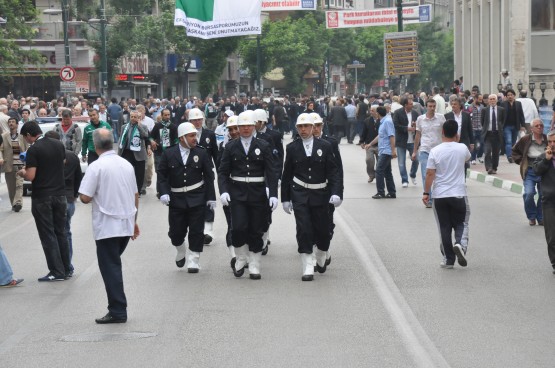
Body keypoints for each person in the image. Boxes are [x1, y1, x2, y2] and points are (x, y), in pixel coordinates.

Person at [79, 128, 140, 324]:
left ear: (95, 146)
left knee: (110, 267)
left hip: (106, 227)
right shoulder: (126, 164)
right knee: (113, 265)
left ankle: (117, 310)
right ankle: (117, 307)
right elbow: (135, 195)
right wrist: (134, 221)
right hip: (125, 223)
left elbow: (85, 197)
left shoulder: (96, 167)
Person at [217, 110, 278, 280]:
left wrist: (273, 193)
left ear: (254, 126)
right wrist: (223, 191)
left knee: (256, 228)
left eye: (248, 126)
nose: (245, 129)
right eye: (242, 126)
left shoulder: (263, 146)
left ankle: (255, 263)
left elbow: (271, 172)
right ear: (237, 127)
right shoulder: (230, 147)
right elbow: (223, 172)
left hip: (258, 192)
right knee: (238, 227)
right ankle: (241, 257)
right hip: (237, 192)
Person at [281, 113, 341, 281]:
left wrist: (336, 193)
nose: (303, 130)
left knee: (323, 230)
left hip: (321, 193)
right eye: (300, 127)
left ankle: (322, 252)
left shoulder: (326, 146)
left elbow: (333, 172)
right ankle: (307, 264)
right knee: (304, 229)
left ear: (313, 127)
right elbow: (287, 174)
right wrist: (285, 198)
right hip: (299, 193)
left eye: (306, 126)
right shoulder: (292, 148)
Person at [157, 122, 216, 272]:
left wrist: (211, 197)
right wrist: (163, 192)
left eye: (195, 135)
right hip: (176, 198)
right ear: (182, 138)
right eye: (191, 136)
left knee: (196, 230)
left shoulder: (201, 153)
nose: (195, 138)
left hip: (197, 197)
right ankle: (181, 250)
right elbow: (162, 175)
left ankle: (194, 259)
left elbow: (209, 176)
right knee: (175, 233)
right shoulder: (169, 153)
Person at [18, 121, 71, 281]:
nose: (26, 140)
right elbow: (63, 163)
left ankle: (56, 271)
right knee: (61, 232)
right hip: (60, 194)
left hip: (43, 196)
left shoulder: (34, 149)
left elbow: (31, 176)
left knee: (48, 234)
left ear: (29, 135)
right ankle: (67, 268)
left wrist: (22, 172)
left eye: (25, 137)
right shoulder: (58, 144)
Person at [423, 120, 471, 269]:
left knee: (444, 227)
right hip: (458, 193)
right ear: (457, 133)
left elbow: (430, 173)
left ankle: (448, 259)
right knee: (461, 222)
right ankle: (460, 245)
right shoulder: (463, 148)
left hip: (439, 195)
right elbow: (467, 159)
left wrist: (426, 192)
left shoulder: (435, 151)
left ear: (442, 132)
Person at [45, 130, 82, 276]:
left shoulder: (48, 157)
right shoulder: (72, 156)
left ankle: (63, 266)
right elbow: (78, 177)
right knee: (65, 232)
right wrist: (74, 195)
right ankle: (67, 265)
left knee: (56, 233)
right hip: (69, 198)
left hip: (56, 197)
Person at [254, 109, 284, 255]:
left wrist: (277, 176)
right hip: (254, 177)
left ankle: (265, 236)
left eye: (256, 123)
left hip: (267, 176)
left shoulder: (274, 136)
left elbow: (277, 158)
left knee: (267, 209)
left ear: (263, 122)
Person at [188, 107, 219, 245]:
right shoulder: (186, 135)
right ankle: (196, 229)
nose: (197, 122)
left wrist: (221, 171)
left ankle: (208, 229)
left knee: (209, 198)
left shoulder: (209, 134)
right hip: (191, 173)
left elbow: (216, 155)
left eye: (200, 119)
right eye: (194, 120)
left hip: (207, 172)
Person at [512, 118, 547, 226]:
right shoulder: (526, 139)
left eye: (541, 125)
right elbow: (514, 151)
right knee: (528, 193)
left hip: (544, 171)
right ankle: (531, 216)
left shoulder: (547, 139)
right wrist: (521, 161)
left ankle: (540, 218)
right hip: (530, 170)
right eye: (537, 126)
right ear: (531, 129)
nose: (540, 127)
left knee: (543, 195)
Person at [413, 99, 447, 207]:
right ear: (426, 107)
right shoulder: (420, 119)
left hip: (438, 150)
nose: (432, 108)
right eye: (430, 106)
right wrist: (414, 151)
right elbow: (417, 136)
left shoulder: (441, 118)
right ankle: (429, 198)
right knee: (425, 174)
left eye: (434, 106)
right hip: (425, 150)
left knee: (439, 175)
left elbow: (445, 133)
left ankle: (440, 196)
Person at [217, 116, 240, 267]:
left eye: (235, 128)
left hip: (250, 191)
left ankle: (245, 253)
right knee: (232, 224)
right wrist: (223, 191)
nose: (233, 132)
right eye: (230, 130)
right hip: (231, 190)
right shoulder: (224, 147)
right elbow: (222, 172)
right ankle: (234, 255)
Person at [533, 130, 555, 273]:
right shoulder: (542, 158)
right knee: (552, 235)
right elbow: (537, 171)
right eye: (550, 142)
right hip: (549, 202)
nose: (552, 145)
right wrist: (546, 160)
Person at [118, 110, 151, 195]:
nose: (133, 118)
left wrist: (139, 126)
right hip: (127, 152)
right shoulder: (124, 127)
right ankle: (127, 190)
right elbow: (121, 140)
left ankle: (138, 191)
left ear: (138, 118)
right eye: (132, 116)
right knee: (126, 172)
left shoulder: (143, 126)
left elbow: (145, 136)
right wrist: (119, 154)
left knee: (139, 174)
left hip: (139, 153)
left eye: (135, 117)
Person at [0, 117, 29, 212]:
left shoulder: (22, 136)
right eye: (9, 122)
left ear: (17, 124)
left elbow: (27, 149)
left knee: (19, 185)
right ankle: (14, 203)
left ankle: (18, 203)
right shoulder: (4, 136)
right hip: (9, 164)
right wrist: (1, 158)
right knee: (11, 187)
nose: (11, 123)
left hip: (20, 164)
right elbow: (0, 149)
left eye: (13, 122)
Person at [370, 106, 397, 199]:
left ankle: (380, 192)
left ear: (378, 113)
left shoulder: (387, 122)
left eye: (375, 112)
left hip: (386, 150)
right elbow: (380, 136)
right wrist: (370, 144)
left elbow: (392, 136)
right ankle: (392, 192)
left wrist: (393, 150)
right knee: (387, 172)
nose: (374, 114)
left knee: (379, 170)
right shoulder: (383, 122)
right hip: (382, 150)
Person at [393, 97, 419, 187]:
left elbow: (420, 124)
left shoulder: (415, 113)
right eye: (410, 104)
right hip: (401, 140)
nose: (412, 105)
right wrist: (407, 128)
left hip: (413, 141)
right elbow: (396, 125)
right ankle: (404, 180)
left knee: (416, 160)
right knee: (401, 162)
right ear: (405, 105)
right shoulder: (397, 113)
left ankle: (412, 174)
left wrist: (416, 126)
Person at [481, 94, 505, 175]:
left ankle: (494, 167)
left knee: (496, 152)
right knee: (487, 151)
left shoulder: (501, 110)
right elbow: (482, 121)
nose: (492, 101)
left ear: (496, 100)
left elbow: (503, 121)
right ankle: (489, 167)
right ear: (488, 101)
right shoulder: (485, 110)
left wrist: (501, 128)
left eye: (494, 99)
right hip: (488, 134)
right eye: (490, 99)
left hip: (497, 134)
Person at [501, 89, 526, 162]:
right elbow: (501, 116)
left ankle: (513, 154)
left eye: (511, 95)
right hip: (506, 126)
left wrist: (523, 125)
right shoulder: (503, 104)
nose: (510, 96)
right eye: (508, 95)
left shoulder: (518, 103)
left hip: (516, 126)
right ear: (506, 96)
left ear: (514, 95)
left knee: (513, 142)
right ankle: (509, 156)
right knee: (508, 141)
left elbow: (521, 115)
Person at [361, 105, 380, 183]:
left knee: (380, 163)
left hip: (380, 145)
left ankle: (379, 176)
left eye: (372, 110)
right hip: (369, 145)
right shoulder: (367, 121)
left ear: (377, 112)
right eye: (370, 110)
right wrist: (362, 141)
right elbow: (364, 132)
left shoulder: (382, 120)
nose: (370, 112)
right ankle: (371, 175)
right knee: (369, 160)